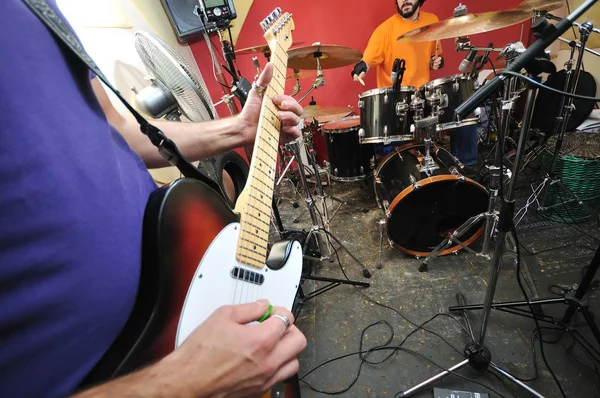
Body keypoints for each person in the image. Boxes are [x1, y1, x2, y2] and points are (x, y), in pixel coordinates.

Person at [0, 1, 306, 397]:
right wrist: (181, 382)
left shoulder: (38, 7)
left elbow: (117, 125)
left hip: (181, 283)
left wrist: (240, 129)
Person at [351, 0, 479, 168]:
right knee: (401, 161)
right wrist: (361, 67)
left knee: (464, 114)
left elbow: (434, 56)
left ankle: (465, 170)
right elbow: (367, 60)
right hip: (397, 103)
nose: (404, 0)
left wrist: (436, 62)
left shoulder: (432, 20)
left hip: (425, 97)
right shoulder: (385, 30)